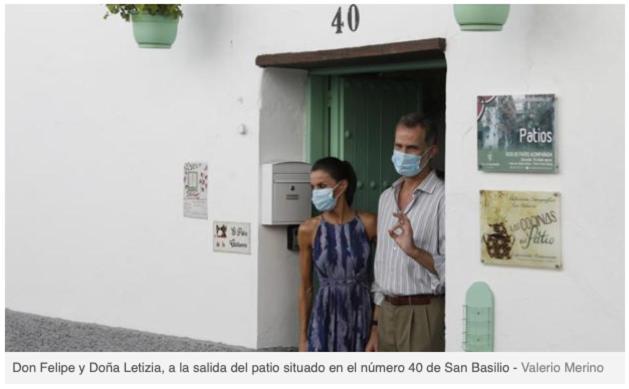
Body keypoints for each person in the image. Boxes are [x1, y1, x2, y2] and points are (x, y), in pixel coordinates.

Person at [365, 113, 445, 352]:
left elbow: (456, 270)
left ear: (431, 152)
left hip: (423, 313)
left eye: (411, 148)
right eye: (398, 146)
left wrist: (414, 251)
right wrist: (376, 325)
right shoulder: (386, 197)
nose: (402, 154)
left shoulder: (443, 198)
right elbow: (382, 269)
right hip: (387, 313)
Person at [298, 157, 377, 351]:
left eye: (322, 186)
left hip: (361, 314)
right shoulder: (308, 229)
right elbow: (306, 288)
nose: (316, 193)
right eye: (313, 187)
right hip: (324, 315)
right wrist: (302, 338)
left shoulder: (369, 223)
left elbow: (383, 279)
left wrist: (376, 328)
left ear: (341, 187)